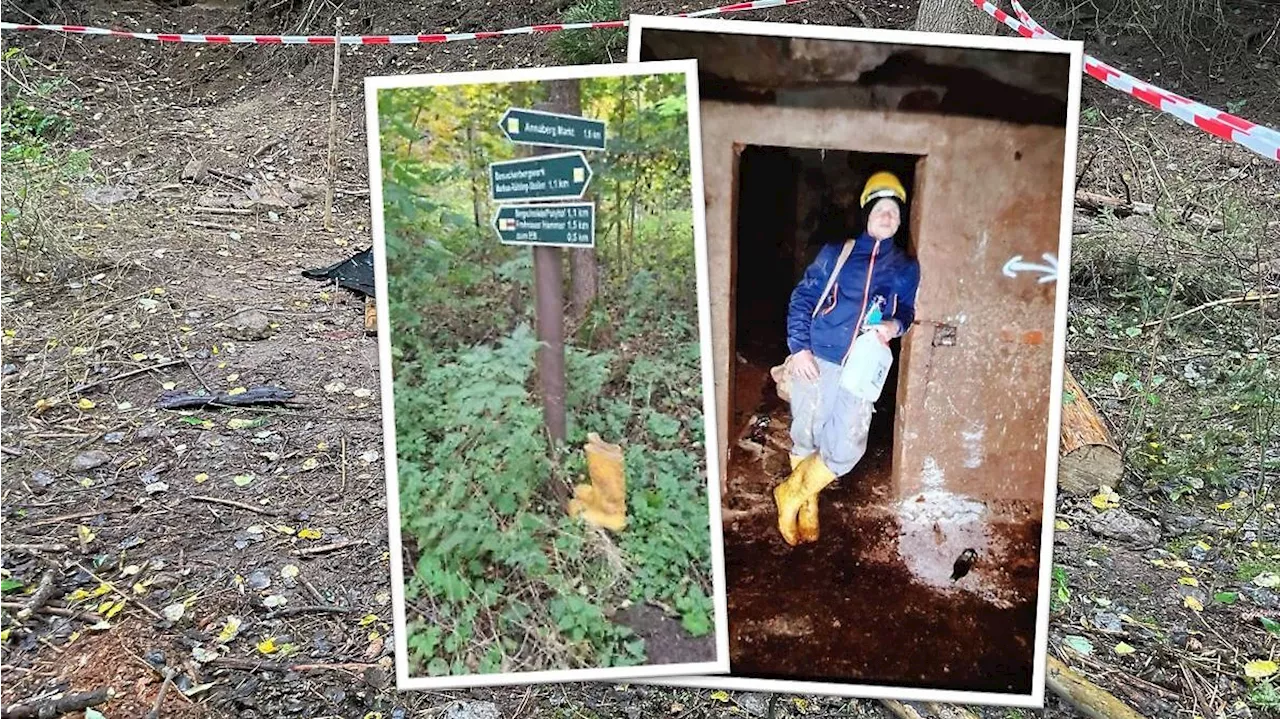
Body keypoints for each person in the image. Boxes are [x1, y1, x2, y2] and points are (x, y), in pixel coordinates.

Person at [773, 171, 921, 547]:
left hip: (860, 370)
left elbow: (905, 311)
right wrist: (799, 348)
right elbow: (803, 299)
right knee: (806, 433)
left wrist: (893, 326)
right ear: (867, 214)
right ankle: (808, 506)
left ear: (900, 220)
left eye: (893, 211)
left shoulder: (904, 267)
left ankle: (790, 493)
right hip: (818, 358)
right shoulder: (837, 253)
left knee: (846, 447)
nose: (887, 216)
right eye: (880, 209)